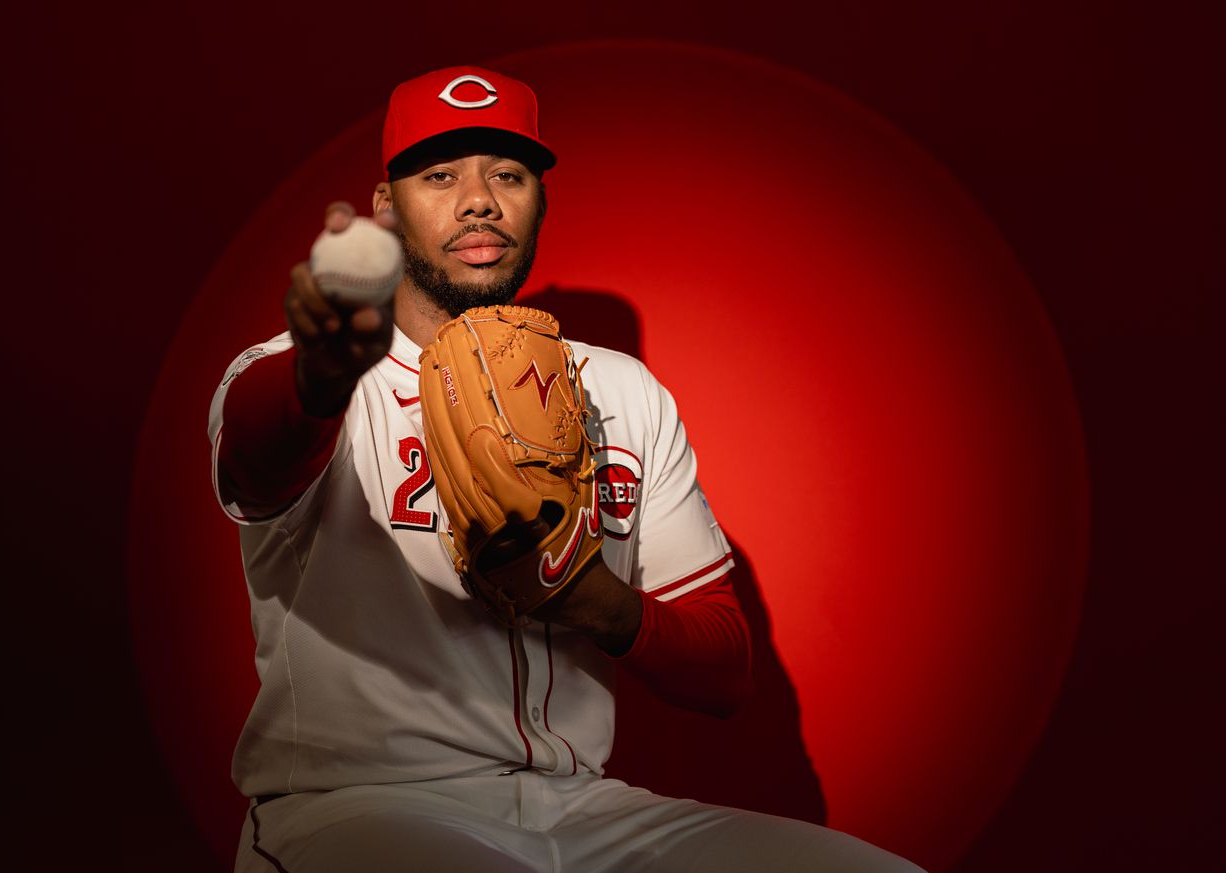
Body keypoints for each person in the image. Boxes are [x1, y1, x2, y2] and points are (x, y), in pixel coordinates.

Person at [211, 65, 923, 873]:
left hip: (580, 807)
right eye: (439, 174)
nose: (478, 199)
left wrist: (586, 597)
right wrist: (321, 375)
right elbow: (258, 465)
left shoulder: (620, 390)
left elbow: (724, 668)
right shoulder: (295, 374)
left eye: (507, 175)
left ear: (539, 201)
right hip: (355, 808)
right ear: (385, 206)